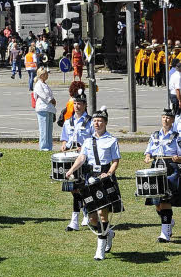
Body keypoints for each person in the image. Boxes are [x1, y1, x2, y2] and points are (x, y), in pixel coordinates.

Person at [65, 108, 121, 261]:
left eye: (100, 121)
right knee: (92, 218)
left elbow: (115, 161)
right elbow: (82, 158)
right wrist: (71, 170)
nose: (97, 123)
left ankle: (100, 250)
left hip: (104, 178)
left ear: (105, 123)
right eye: (95, 121)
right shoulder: (88, 141)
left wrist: (108, 174)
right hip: (90, 177)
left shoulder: (112, 140)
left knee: (103, 214)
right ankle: (108, 233)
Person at [143, 107, 181, 243]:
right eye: (164, 117)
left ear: (172, 120)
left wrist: (178, 158)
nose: (166, 120)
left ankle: (165, 233)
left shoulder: (177, 137)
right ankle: (168, 221)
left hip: (170, 171)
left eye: (168, 118)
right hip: (155, 170)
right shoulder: (154, 135)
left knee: (165, 201)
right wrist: (147, 156)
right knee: (157, 203)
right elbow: (148, 151)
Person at [60, 88, 93, 231]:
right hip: (70, 159)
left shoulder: (91, 121)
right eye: (75, 103)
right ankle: (79, 217)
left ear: (85, 105)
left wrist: (84, 148)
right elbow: (64, 139)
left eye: (80, 103)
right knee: (74, 190)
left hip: (85, 160)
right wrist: (63, 146)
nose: (77, 106)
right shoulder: (68, 122)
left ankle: (80, 216)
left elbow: (93, 140)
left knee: (83, 189)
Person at [33, 67, 57, 151]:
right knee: (44, 130)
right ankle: (44, 147)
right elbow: (44, 96)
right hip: (43, 108)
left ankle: (49, 147)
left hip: (49, 108)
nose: (47, 75)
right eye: (46, 74)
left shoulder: (45, 84)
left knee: (49, 130)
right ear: (41, 75)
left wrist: (53, 101)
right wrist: (51, 100)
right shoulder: (38, 85)